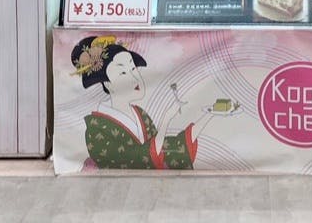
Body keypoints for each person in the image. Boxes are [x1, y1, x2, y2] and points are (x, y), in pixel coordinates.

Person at [71, 35, 212, 170]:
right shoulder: (96, 129)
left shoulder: (140, 114)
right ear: (107, 84)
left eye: (133, 69)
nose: (135, 78)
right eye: (123, 73)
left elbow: (165, 148)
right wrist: (166, 120)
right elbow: (136, 158)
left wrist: (209, 113)